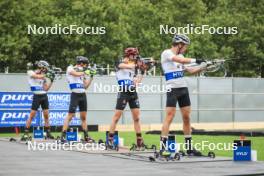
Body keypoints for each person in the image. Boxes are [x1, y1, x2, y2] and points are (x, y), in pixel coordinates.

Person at [160, 34, 207, 156]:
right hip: (172, 89)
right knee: (169, 117)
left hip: (183, 89)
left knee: (187, 118)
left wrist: (204, 66)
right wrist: (196, 60)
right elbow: (179, 60)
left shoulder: (181, 56)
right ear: (179, 44)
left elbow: (190, 70)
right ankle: (162, 148)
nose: (186, 48)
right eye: (185, 46)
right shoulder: (167, 53)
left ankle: (189, 148)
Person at [108, 47, 146, 149]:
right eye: (134, 55)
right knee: (116, 117)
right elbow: (122, 65)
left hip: (132, 91)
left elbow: (136, 82)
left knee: (137, 118)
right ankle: (110, 140)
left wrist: (142, 72)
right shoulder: (120, 62)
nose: (136, 57)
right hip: (123, 91)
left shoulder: (133, 68)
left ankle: (139, 141)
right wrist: (135, 65)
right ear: (129, 55)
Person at [61, 56, 96, 142]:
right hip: (75, 94)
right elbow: (75, 73)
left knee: (83, 117)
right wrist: (85, 71)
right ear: (81, 63)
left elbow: (85, 86)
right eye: (85, 64)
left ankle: (86, 136)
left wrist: (91, 76)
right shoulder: (70, 68)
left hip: (83, 94)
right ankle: (63, 136)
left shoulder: (83, 72)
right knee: (70, 116)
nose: (85, 66)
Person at [22, 60, 55, 141]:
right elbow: (36, 76)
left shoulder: (43, 76)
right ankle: (25, 133)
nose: (46, 69)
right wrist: (46, 75)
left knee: (46, 116)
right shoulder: (30, 72)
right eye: (45, 68)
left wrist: (52, 80)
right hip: (36, 96)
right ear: (41, 67)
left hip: (44, 96)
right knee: (32, 115)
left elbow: (46, 88)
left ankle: (48, 132)